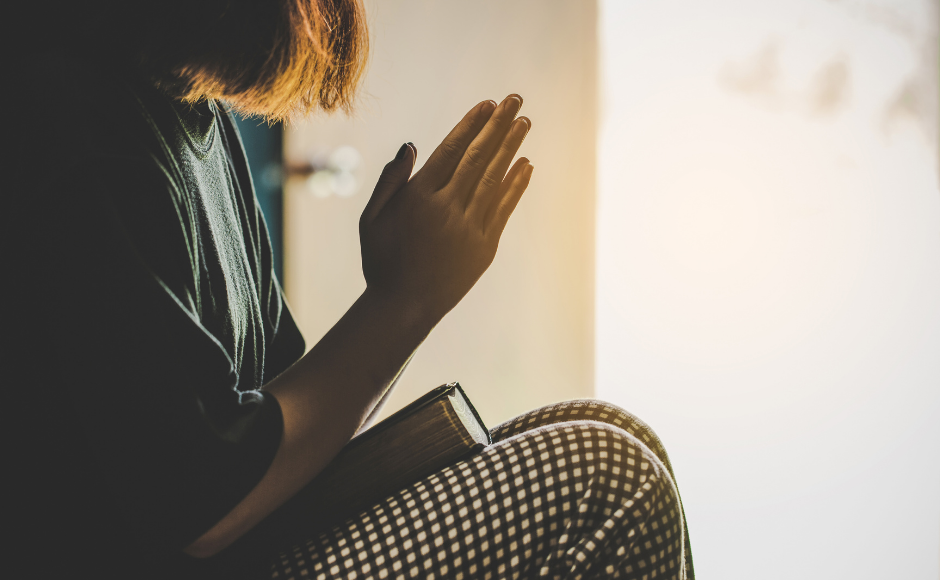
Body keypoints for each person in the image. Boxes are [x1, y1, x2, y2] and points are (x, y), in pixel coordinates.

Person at [8, 0, 693, 578]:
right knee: (607, 480)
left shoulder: (197, 116)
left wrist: (403, 293)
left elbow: (286, 424)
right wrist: (404, 303)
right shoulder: (64, 110)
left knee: (619, 434)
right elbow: (200, 503)